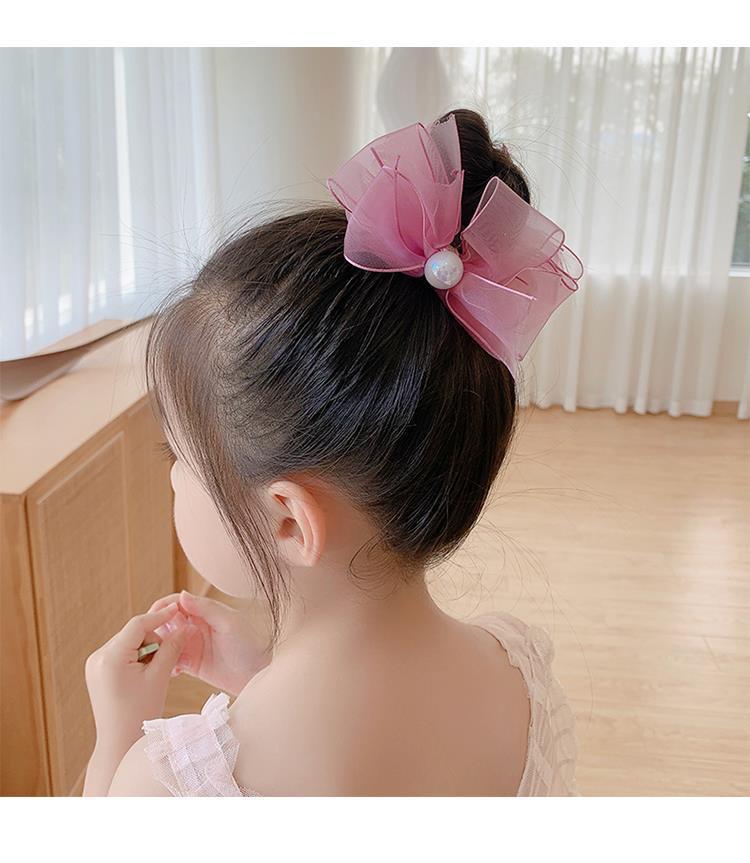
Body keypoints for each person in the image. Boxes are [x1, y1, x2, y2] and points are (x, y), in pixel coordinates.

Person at [83, 108, 582, 797]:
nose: (172, 477)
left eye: (179, 455)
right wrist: (264, 672)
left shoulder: (168, 787)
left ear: (289, 519)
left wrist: (115, 738)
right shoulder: (519, 676)